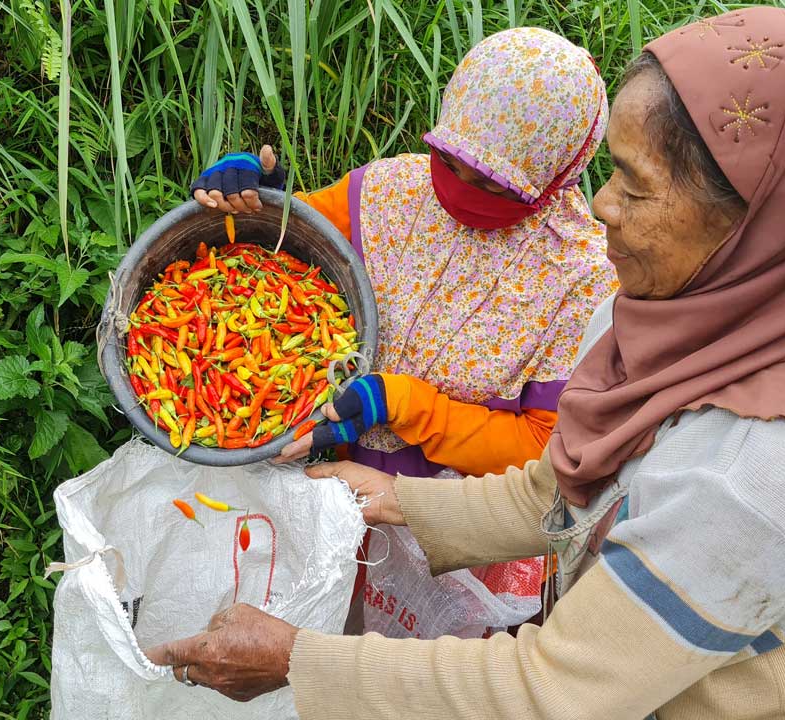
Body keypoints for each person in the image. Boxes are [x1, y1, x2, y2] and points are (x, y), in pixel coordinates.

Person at [147, 7, 785, 718]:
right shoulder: (682, 311)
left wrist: (297, 662)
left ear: (761, 229)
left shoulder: (765, 482)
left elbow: (553, 693)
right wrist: (394, 499)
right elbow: (562, 486)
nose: (598, 206)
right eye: (609, 171)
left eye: (635, 188)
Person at [191, 27, 616, 638]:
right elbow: (290, 247)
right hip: (330, 452)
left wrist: (402, 404)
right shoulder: (393, 191)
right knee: (312, 631)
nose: (462, 189)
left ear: (557, 175)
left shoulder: (580, 278)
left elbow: (544, 451)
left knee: (419, 668)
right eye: (450, 162)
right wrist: (258, 196)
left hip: (459, 513)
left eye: (494, 183)